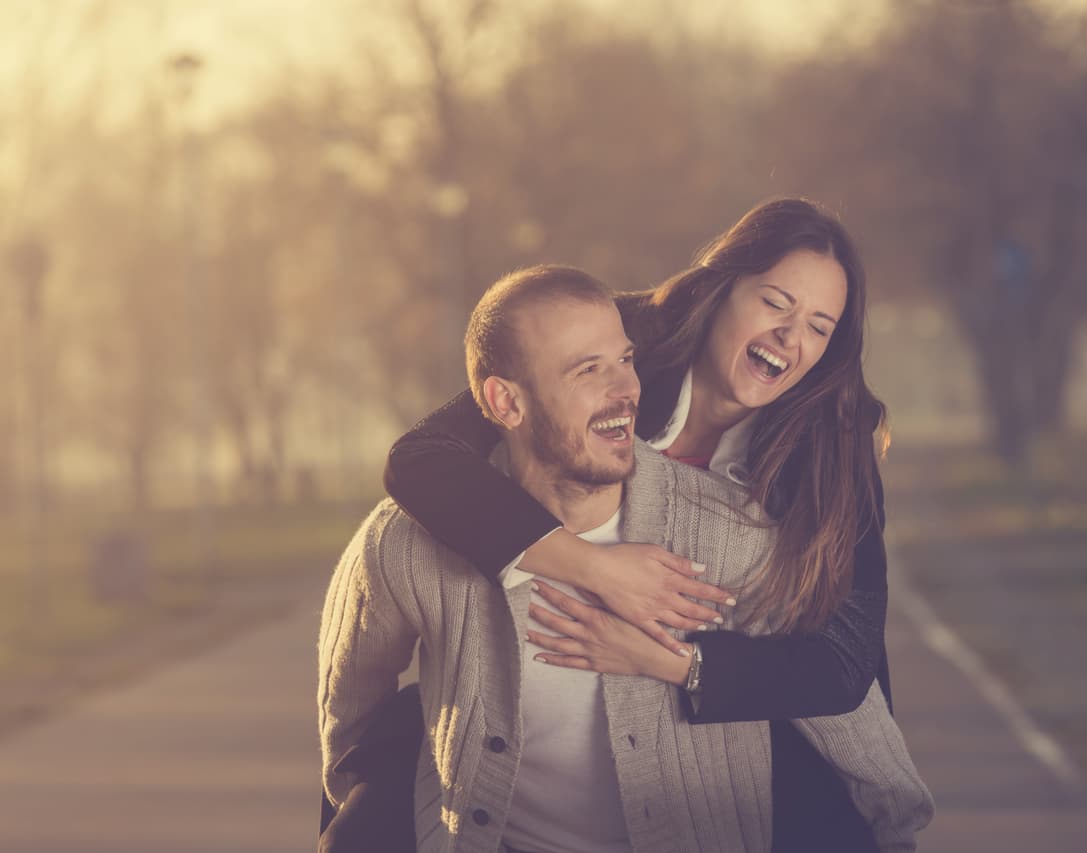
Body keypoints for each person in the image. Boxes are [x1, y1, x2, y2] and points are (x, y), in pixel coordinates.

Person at [318, 265, 932, 853]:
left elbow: (857, 732)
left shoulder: (729, 538)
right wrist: (354, 804)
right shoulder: (407, 541)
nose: (626, 390)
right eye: (589, 370)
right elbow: (352, 699)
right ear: (505, 403)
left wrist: (895, 832)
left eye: (626, 361)